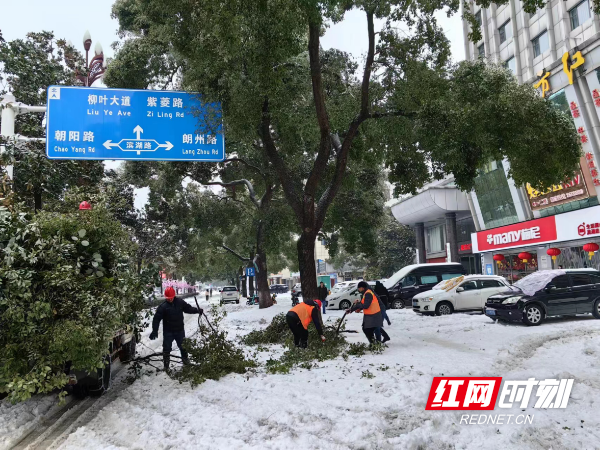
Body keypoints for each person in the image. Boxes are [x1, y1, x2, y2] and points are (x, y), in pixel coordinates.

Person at [150, 286, 202, 371]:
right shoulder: (163, 307)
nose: (170, 299)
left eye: (171, 298)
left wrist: (197, 310)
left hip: (179, 331)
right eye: (168, 298)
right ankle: (166, 366)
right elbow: (156, 319)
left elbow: (188, 308)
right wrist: (154, 331)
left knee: (183, 347)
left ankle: (186, 363)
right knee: (166, 349)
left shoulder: (180, 302)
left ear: (174, 296)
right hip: (168, 332)